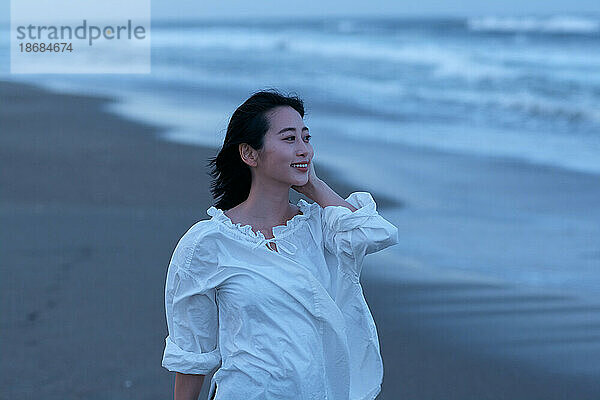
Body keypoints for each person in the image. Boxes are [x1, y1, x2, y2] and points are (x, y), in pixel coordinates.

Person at [161, 89, 399, 400]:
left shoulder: (319, 227)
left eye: (306, 138)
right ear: (249, 154)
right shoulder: (209, 243)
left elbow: (374, 233)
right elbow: (192, 352)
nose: (305, 151)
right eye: (289, 139)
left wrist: (314, 185)